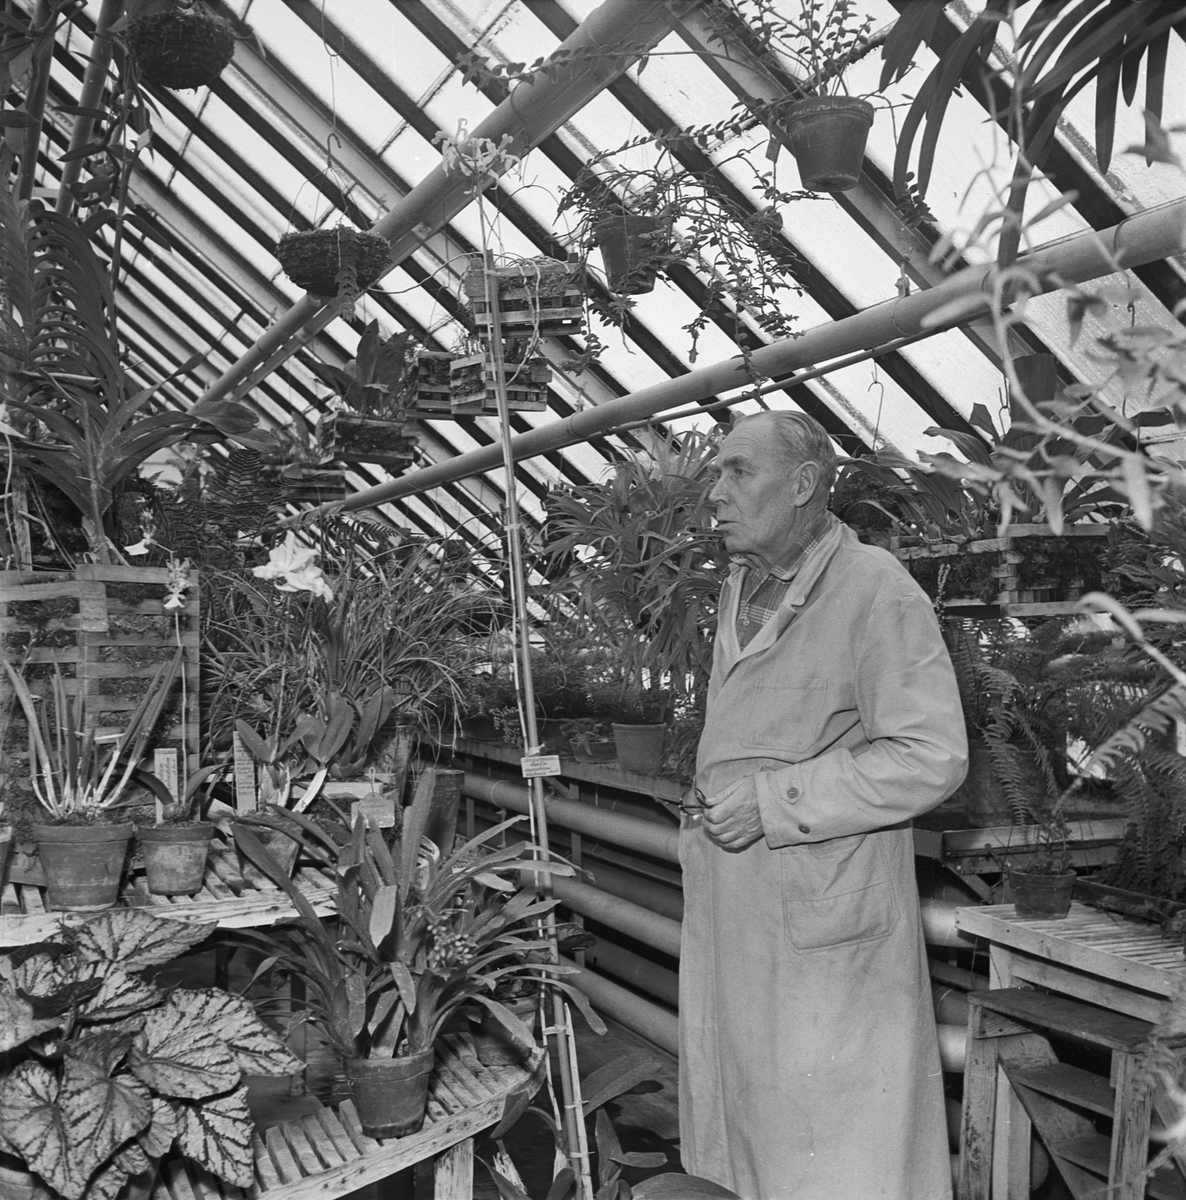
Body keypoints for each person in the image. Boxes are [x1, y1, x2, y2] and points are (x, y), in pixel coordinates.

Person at [679, 410, 968, 1200]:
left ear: (804, 483)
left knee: (836, 1156)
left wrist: (777, 799)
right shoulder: (743, 587)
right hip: (741, 916)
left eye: (738, 471)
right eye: (717, 472)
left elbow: (930, 756)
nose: (716, 492)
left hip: (826, 938)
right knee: (757, 1138)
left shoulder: (876, 590)